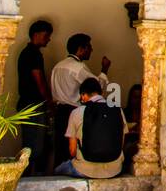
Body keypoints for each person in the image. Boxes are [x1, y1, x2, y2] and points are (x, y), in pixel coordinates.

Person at [49, 34, 110, 166]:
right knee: (74, 149)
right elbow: (96, 88)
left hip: (59, 112)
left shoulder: (57, 67)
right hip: (74, 112)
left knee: (60, 147)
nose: (92, 50)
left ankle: (58, 174)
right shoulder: (78, 67)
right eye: (89, 47)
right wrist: (104, 70)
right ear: (81, 49)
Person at [55, 78, 126, 178]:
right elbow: (121, 142)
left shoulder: (76, 112)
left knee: (58, 169)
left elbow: (72, 151)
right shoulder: (118, 110)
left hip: (84, 169)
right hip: (114, 169)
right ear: (101, 93)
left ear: (83, 95)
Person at [16, 19, 54, 174]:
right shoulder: (33, 54)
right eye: (46, 36)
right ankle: (29, 175)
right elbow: (39, 79)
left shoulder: (27, 52)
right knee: (34, 145)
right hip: (33, 104)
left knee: (31, 142)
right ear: (36, 35)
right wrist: (49, 101)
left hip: (27, 103)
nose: (48, 39)